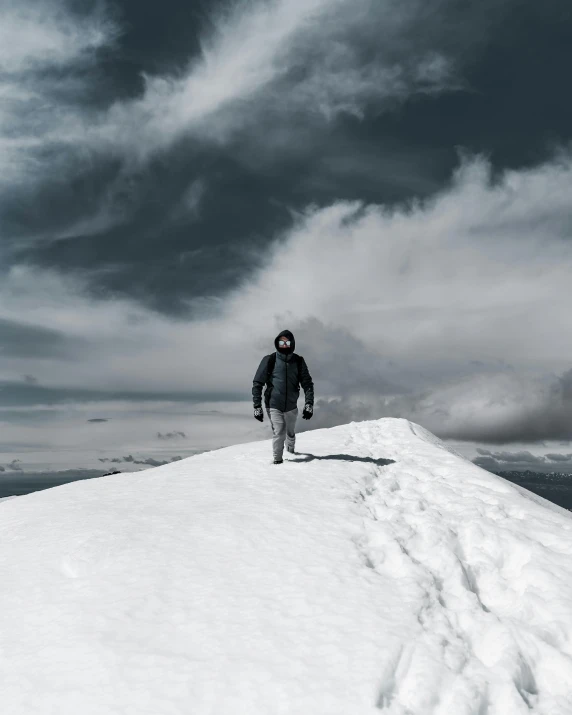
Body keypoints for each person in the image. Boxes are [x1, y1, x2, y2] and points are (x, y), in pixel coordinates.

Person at [252, 330, 314, 464]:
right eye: (281, 342)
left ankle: (291, 451)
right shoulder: (270, 360)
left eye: (287, 342)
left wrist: (309, 404)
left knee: (290, 432)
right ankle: (278, 461)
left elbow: (307, 384)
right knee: (279, 432)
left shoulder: (298, 361)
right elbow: (257, 383)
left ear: (292, 343)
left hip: (291, 405)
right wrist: (257, 406)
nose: (284, 345)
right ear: (277, 343)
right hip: (273, 404)